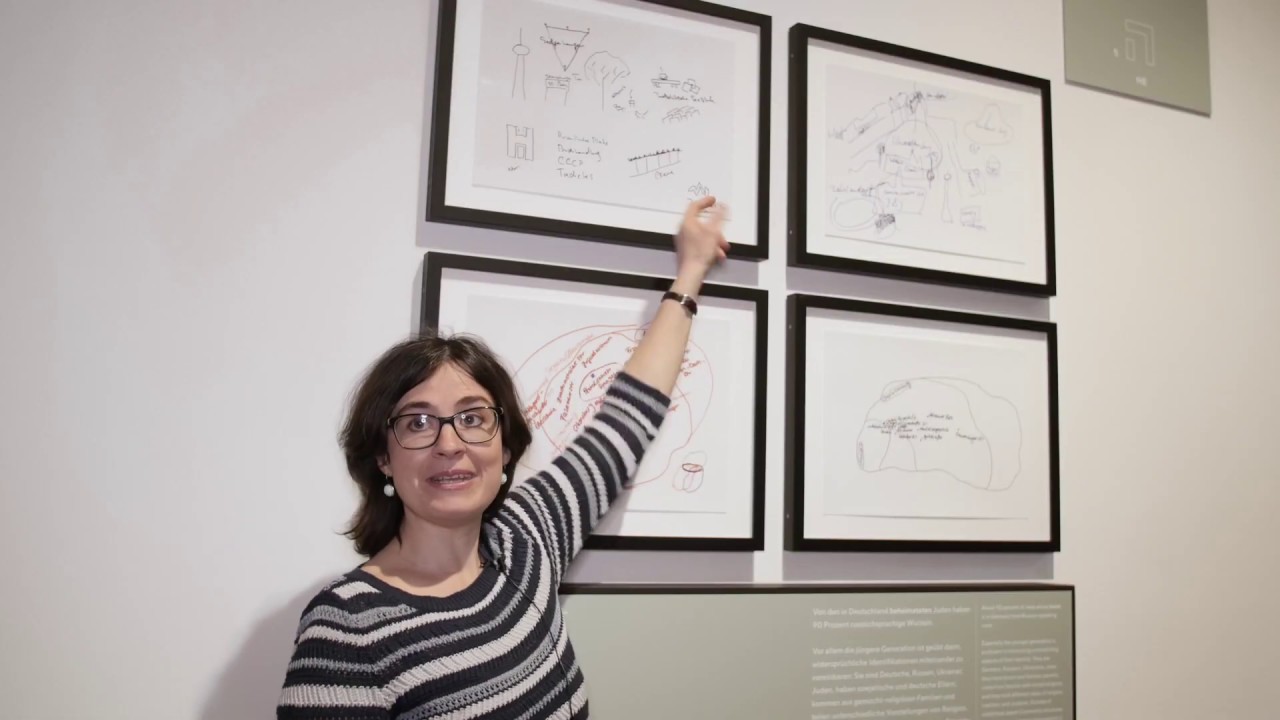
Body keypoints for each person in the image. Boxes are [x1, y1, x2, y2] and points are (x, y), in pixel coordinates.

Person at [276, 196, 729, 719]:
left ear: (505, 445)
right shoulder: (348, 627)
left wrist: (691, 272)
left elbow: (625, 421)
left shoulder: (526, 538)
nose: (450, 444)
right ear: (382, 456)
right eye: (418, 423)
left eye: (472, 418)